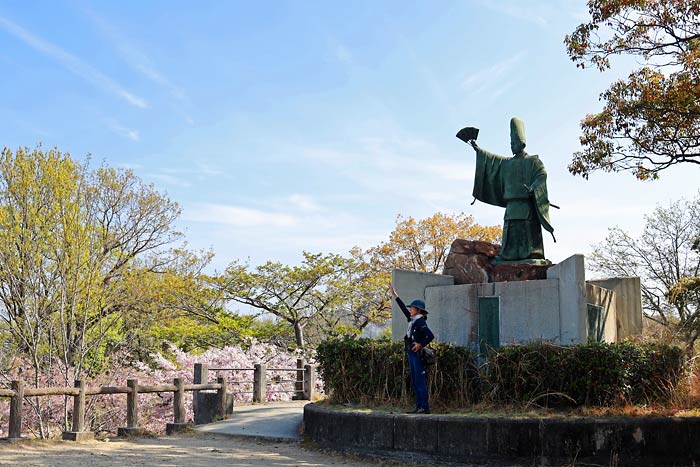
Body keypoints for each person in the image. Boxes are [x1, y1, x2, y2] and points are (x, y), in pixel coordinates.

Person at [467, 117, 555, 263]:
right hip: (511, 205)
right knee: (510, 233)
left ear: (522, 143)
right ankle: (509, 256)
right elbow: (492, 160)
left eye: (514, 143)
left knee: (527, 233)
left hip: (526, 205)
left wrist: (533, 187)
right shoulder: (507, 163)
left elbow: (541, 175)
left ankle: (531, 255)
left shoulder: (533, 161)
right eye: (511, 143)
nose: (512, 146)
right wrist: (478, 150)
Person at [390, 284, 434, 414]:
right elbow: (403, 309)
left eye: (413, 308)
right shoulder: (412, 320)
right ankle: (418, 406)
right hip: (411, 352)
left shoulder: (420, 322)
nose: (410, 310)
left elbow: (430, 336)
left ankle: (424, 407)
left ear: (418, 310)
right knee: (415, 381)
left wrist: (420, 344)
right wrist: (395, 296)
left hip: (417, 354)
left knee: (420, 381)